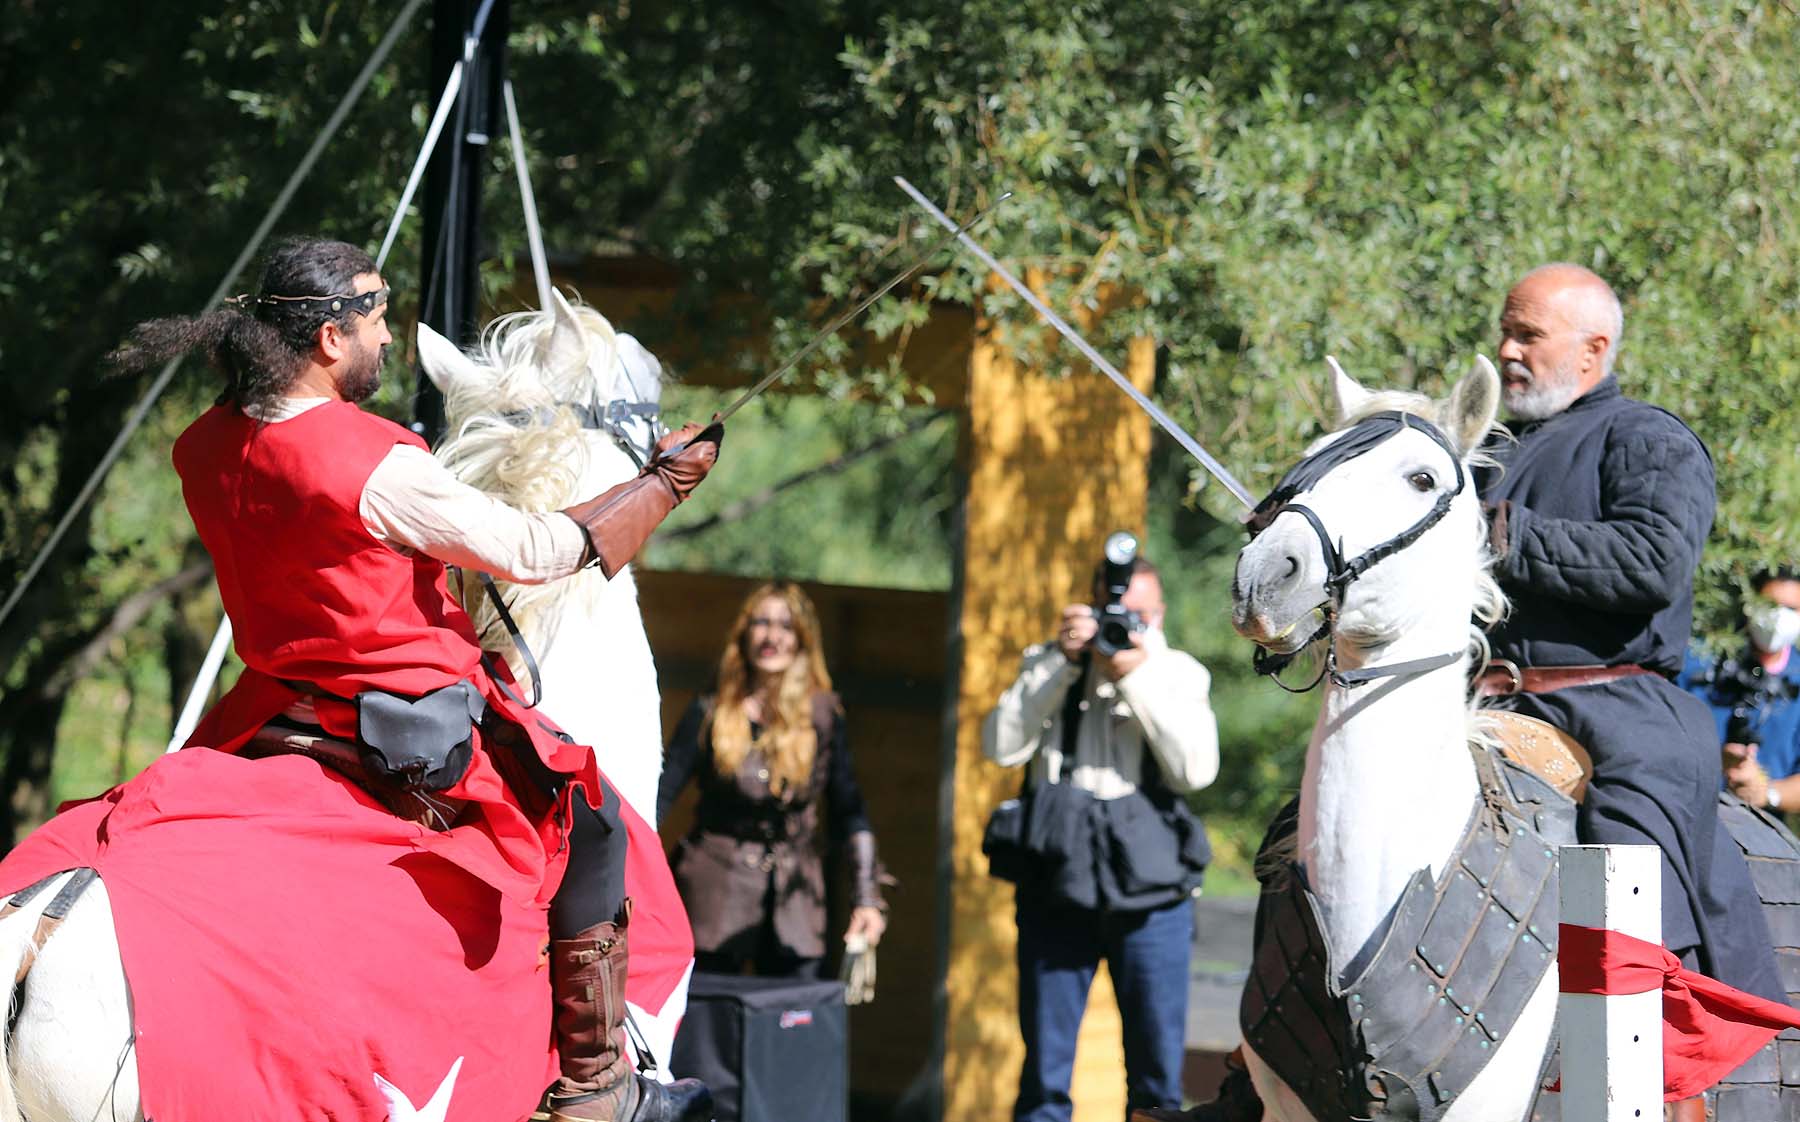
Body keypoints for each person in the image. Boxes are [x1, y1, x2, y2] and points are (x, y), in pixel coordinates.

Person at [21, 237, 720, 1122]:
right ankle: (595, 1083)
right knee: (594, 817)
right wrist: (662, 484)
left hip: (273, 708)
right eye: (378, 317)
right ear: (327, 339)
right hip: (413, 728)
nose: (390, 338)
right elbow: (536, 550)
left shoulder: (201, 446)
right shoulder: (373, 460)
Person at [1472, 262, 1783, 1004]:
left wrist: (1506, 534)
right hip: (1468, 701)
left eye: (1529, 335)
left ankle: (1673, 1078)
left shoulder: (1646, 436)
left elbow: (1654, 563)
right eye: (1506, 334)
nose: (1508, 350)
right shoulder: (1478, 453)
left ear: (1591, 349)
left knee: (1636, 886)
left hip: (1612, 710)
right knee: (1309, 835)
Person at [982, 550, 1219, 1122]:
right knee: (1044, 1075)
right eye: (1115, 611)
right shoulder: (1050, 663)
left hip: (1152, 900)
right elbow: (1000, 747)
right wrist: (1063, 661)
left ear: (1158, 616)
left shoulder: (1179, 673)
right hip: (1057, 889)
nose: (1126, 625)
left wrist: (1132, 674)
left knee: (1157, 1078)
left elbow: (1195, 771)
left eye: (1139, 614)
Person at [657, 580, 889, 979]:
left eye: (785, 626)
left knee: (791, 1025)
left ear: (801, 640)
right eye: (761, 623)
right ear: (744, 634)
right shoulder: (710, 710)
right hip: (714, 892)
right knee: (707, 1024)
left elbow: (848, 808)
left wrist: (866, 897)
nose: (772, 636)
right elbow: (659, 795)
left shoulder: (822, 715)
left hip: (796, 903)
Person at [1679, 567, 1800, 812]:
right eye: (1769, 604)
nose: (1778, 616)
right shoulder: (1698, 660)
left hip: (1762, 831)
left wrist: (1765, 792)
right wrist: (1711, 760)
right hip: (1686, 809)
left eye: (1790, 609)